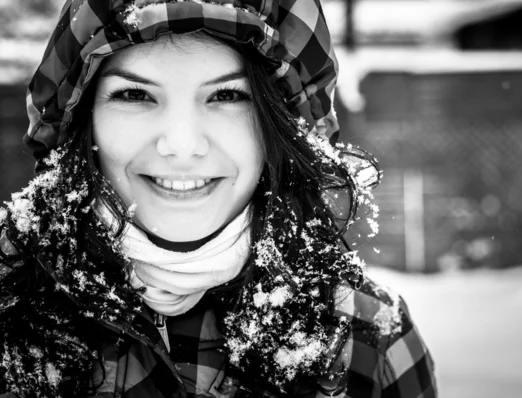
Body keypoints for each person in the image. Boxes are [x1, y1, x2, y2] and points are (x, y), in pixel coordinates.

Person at [0, 1, 436, 397]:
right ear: (80, 125)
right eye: (134, 94)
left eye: (228, 95)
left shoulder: (369, 342)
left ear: (284, 132)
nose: (182, 145)